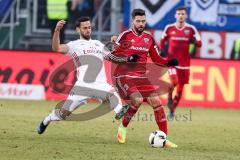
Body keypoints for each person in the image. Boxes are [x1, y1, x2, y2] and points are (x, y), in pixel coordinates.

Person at [37, 16, 133, 134]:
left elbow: (112, 57)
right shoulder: (74, 45)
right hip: (82, 86)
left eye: (89, 27)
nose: (88, 30)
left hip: (100, 84)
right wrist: (57, 30)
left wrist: (116, 44)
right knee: (63, 114)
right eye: (85, 28)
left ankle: (119, 111)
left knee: (113, 95)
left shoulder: (98, 44)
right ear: (78, 30)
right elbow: (56, 48)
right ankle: (47, 119)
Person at [112, 9, 178, 148]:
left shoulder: (149, 38)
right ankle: (122, 128)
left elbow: (156, 59)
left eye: (143, 21)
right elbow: (111, 56)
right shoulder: (125, 36)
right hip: (124, 76)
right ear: (132, 21)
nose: (141, 24)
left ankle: (164, 138)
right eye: (138, 21)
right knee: (138, 99)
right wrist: (127, 59)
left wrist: (168, 63)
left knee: (156, 101)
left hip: (141, 77)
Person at [160, 6, 202, 118]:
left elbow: (199, 43)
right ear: (175, 15)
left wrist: (195, 42)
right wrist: (161, 51)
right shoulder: (169, 28)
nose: (181, 16)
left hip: (185, 64)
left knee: (179, 91)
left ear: (186, 16)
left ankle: (172, 110)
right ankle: (169, 97)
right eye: (179, 14)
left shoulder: (191, 29)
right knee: (174, 81)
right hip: (172, 61)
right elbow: (162, 41)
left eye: (183, 14)